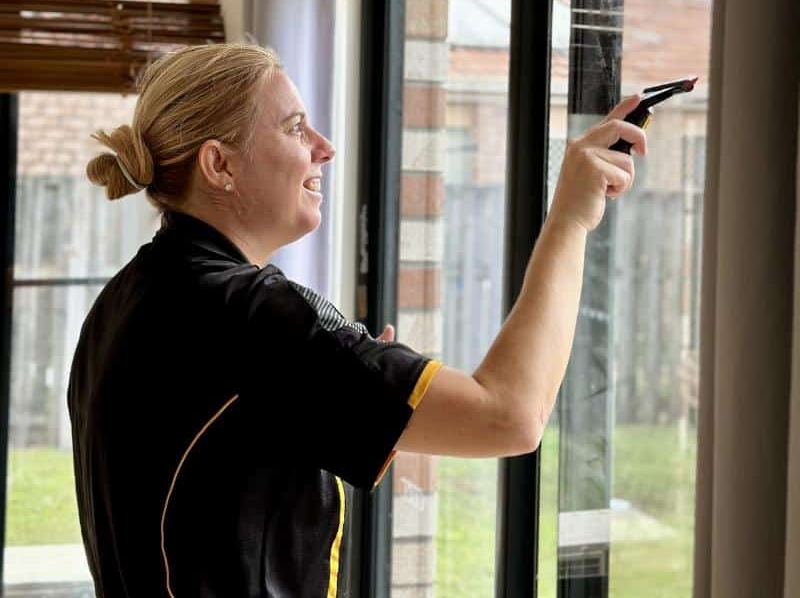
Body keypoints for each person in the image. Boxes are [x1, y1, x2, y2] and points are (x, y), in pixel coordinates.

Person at [67, 43, 646, 598]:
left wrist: (359, 394)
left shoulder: (125, 301)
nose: (325, 147)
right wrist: (571, 217)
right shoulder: (253, 315)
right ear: (220, 165)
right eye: (295, 128)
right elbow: (510, 416)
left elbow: (214, 489)